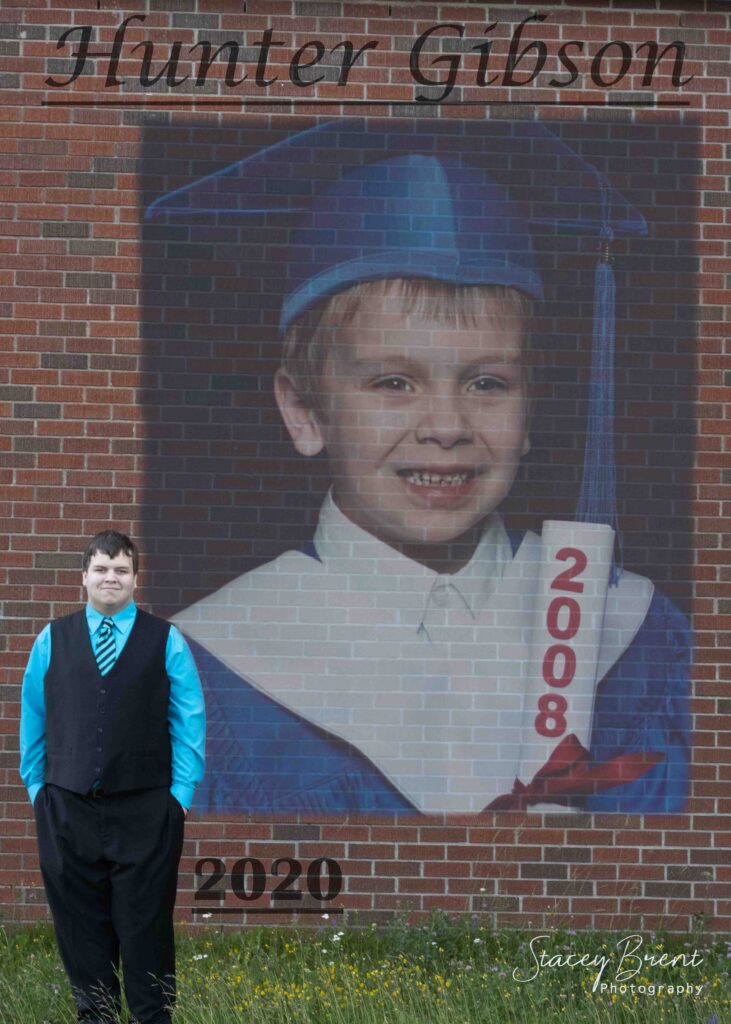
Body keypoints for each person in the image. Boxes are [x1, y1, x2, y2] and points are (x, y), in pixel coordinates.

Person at [147, 120, 690, 817]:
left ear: (531, 412)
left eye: (487, 383)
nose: (444, 428)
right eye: (392, 383)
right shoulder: (202, 674)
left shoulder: (644, 639)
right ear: (303, 412)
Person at [19, 530, 206, 1024]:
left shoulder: (166, 640)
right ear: (84, 577)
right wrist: (39, 790)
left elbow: (189, 720)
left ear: (135, 579)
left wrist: (179, 798)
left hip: (147, 811)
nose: (111, 578)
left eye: (121, 570)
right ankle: (96, 1015)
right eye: (101, 569)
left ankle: (152, 1016)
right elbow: (33, 718)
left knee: (145, 927)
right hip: (66, 807)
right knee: (80, 928)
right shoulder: (50, 639)